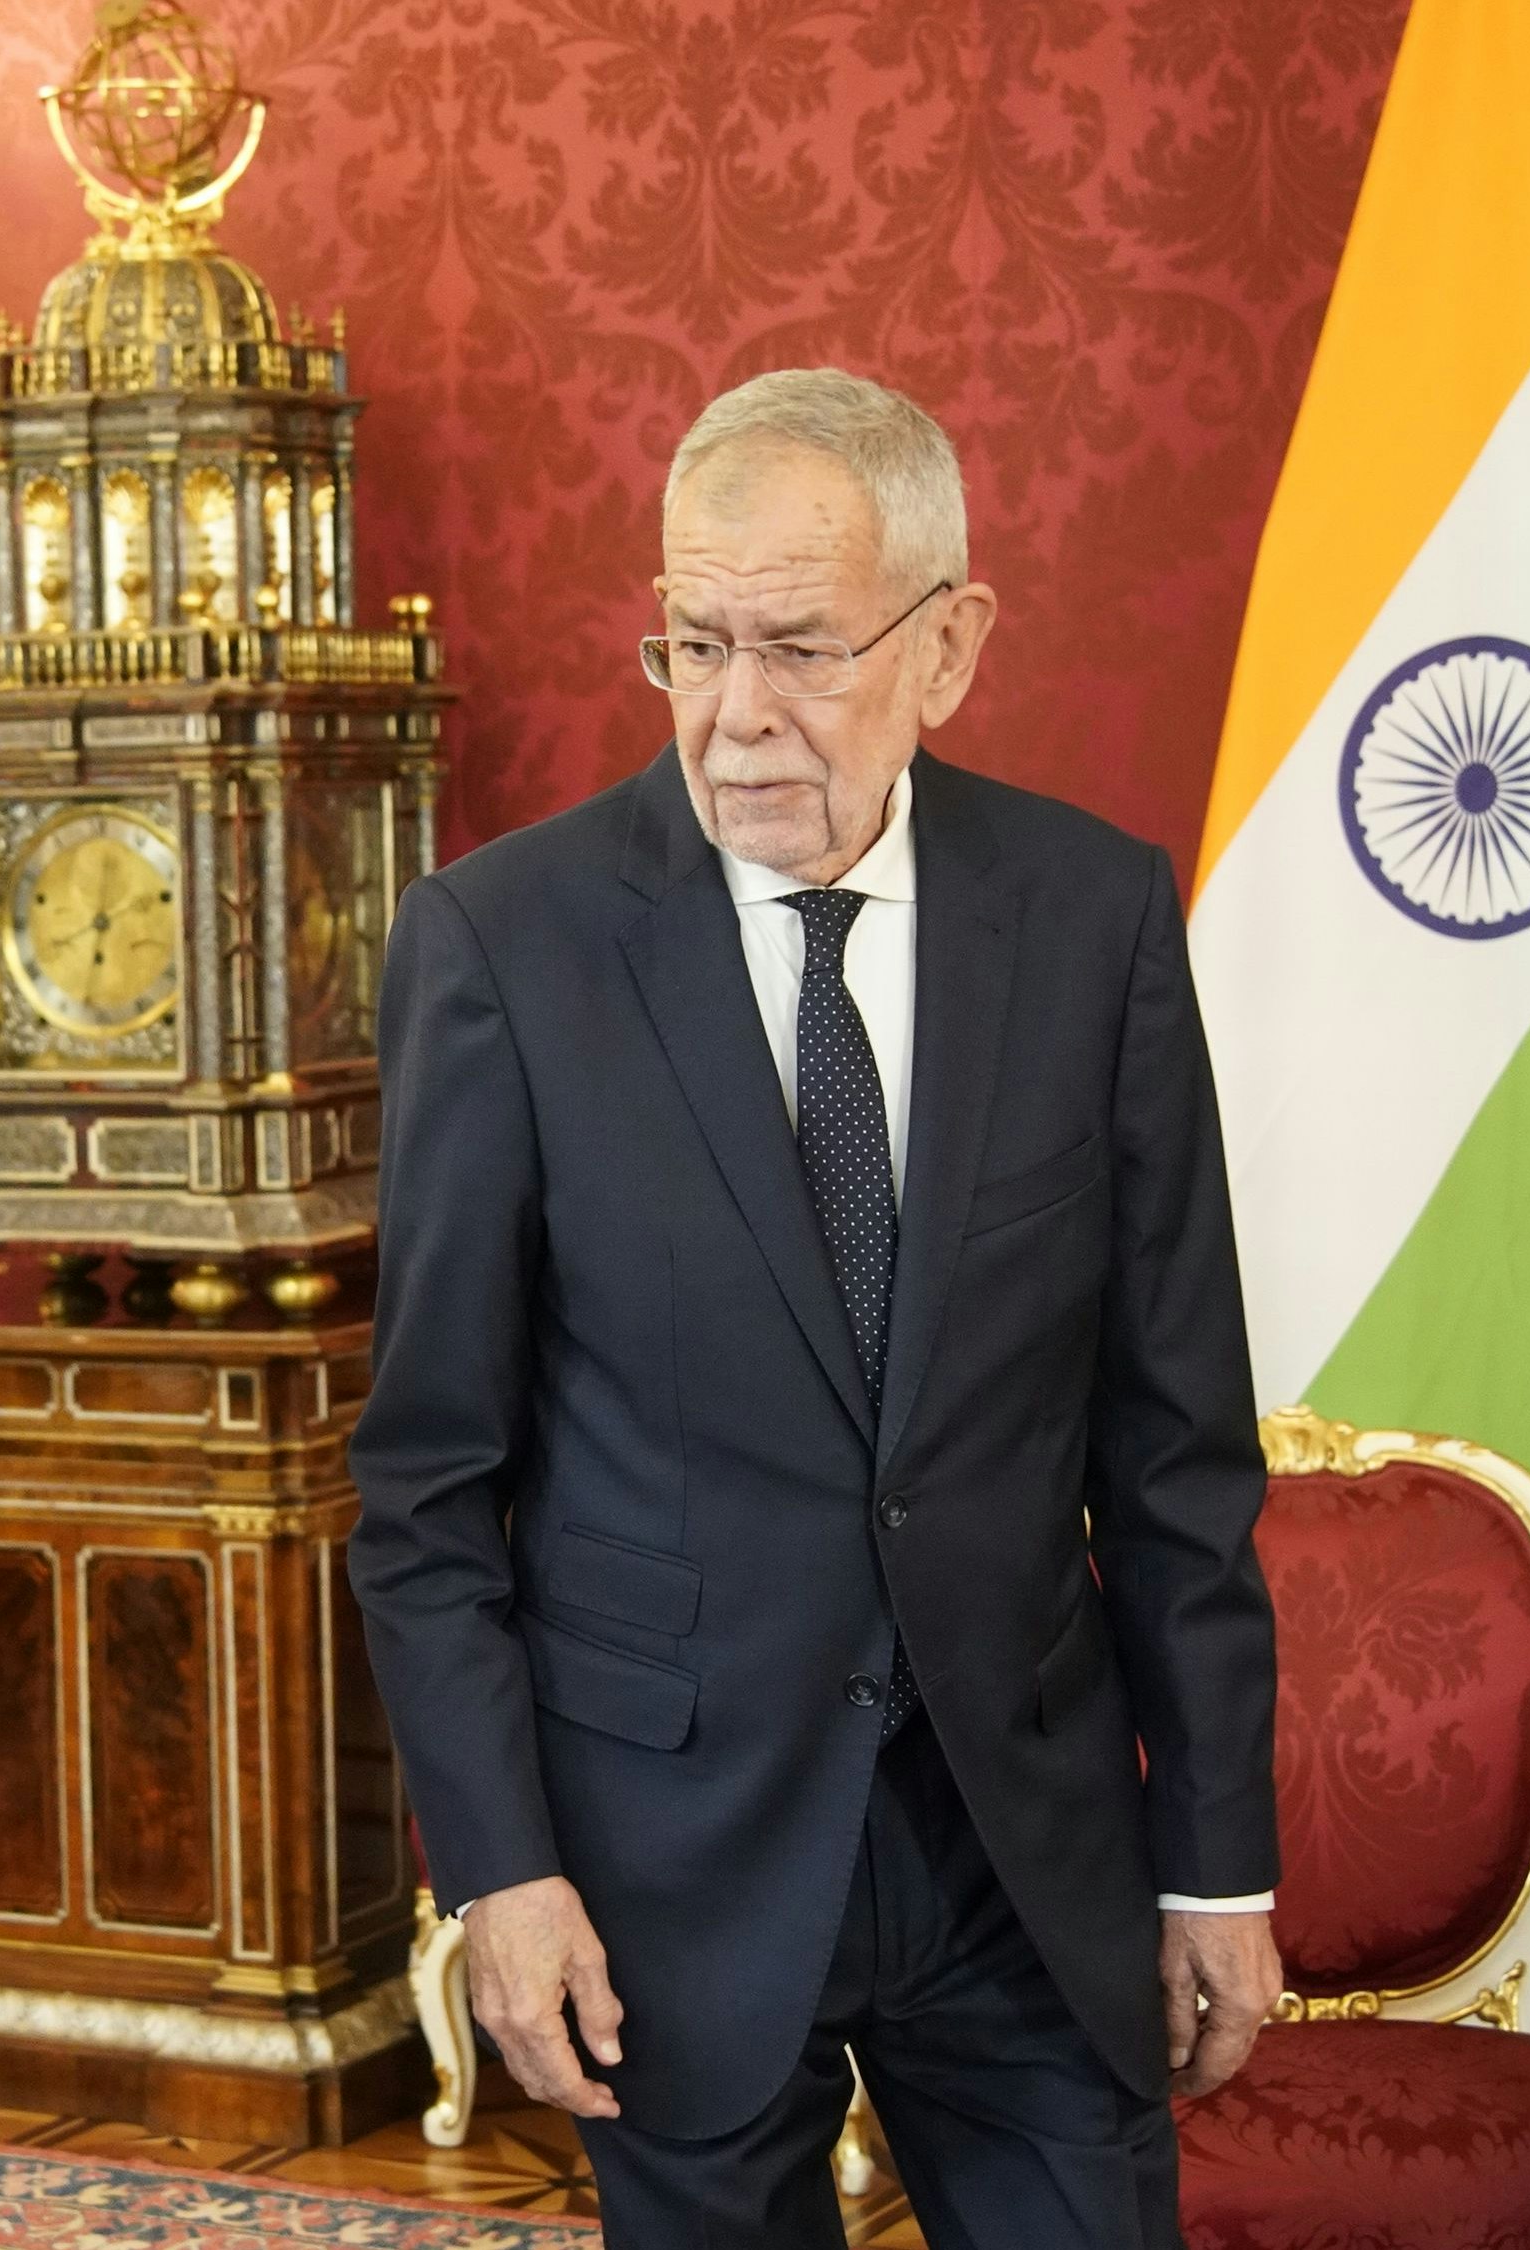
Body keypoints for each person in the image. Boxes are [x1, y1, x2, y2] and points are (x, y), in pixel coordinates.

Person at [347, 370, 1282, 2249]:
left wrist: (1218, 1861)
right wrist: (500, 1871)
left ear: (949, 645)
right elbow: (430, 1490)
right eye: (692, 645)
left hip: (1023, 1852)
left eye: (797, 649)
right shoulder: (504, 947)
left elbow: (1174, 1446)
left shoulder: (1092, 918)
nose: (737, 716)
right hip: (661, 1863)